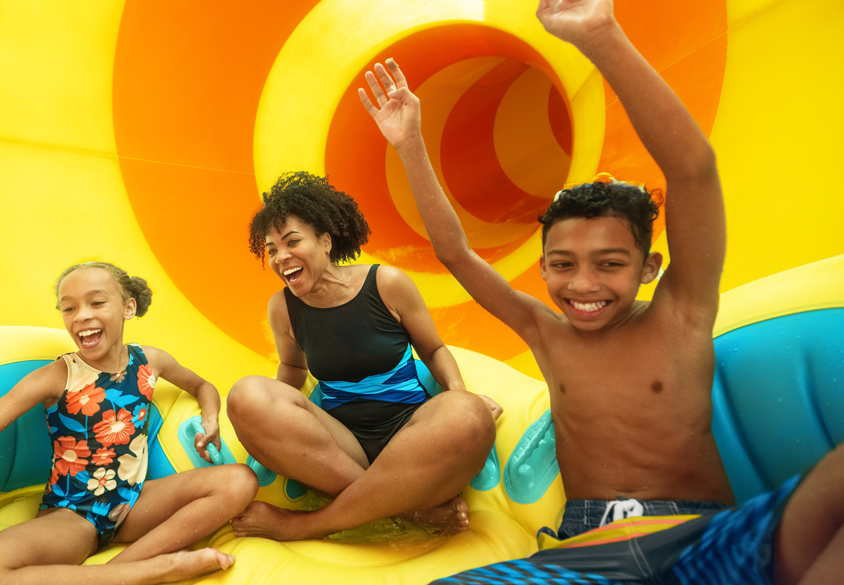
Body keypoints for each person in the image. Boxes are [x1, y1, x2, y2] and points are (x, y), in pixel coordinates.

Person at [360, 0, 844, 582]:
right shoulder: (545, 332)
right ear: (542, 268)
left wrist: (600, 35)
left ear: (649, 267)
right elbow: (454, 253)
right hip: (586, 551)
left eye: (609, 264)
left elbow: (693, 171)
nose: (583, 285)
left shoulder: (681, 315)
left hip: (696, 535)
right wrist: (409, 142)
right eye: (563, 265)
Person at [0, 261, 259, 585]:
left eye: (97, 303)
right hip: (75, 515)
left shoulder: (150, 361)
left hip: (135, 505)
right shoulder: (57, 377)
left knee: (239, 480)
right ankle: (154, 570)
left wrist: (210, 419)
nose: (81, 316)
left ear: (128, 307)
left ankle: (117, 573)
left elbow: (203, 384)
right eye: (69, 307)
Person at [227, 171, 503, 541]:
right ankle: (412, 509)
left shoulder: (386, 284)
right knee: (246, 396)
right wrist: (270, 417)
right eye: (272, 249)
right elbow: (293, 367)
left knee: (469, 414)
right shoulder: (283, 308)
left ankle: (303, 525)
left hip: (411, 433)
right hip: (341, 448)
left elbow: (434, 349)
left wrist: (458, 391)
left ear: (326, 242)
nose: (281, 257)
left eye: (292, 241)